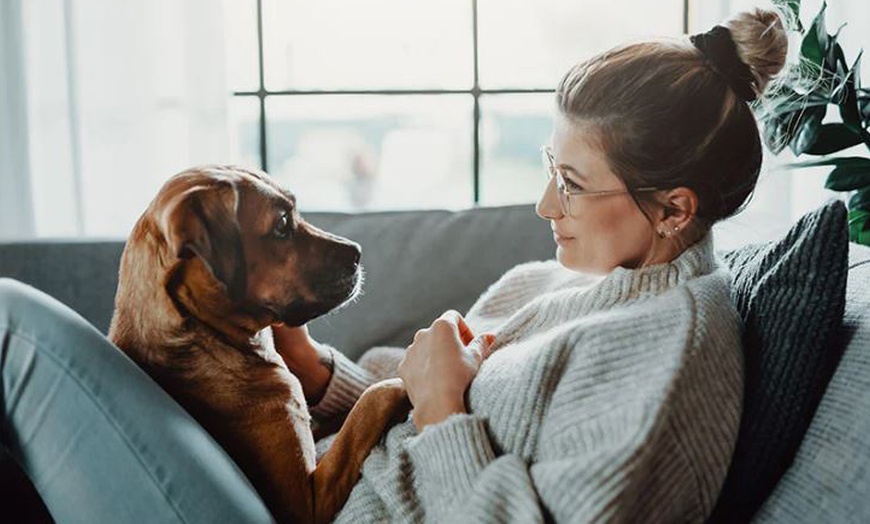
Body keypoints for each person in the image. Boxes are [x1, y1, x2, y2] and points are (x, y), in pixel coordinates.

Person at [0, 8, 788, 523]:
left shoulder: (671, 352)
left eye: (573, 184)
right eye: (552, 167)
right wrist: (320, 379)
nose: (545, 206)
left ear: (676, 208)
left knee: (8, 327)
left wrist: (444, 411)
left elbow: (445, 429)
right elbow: (402, 395)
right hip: (299, 482)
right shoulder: (563, 280)